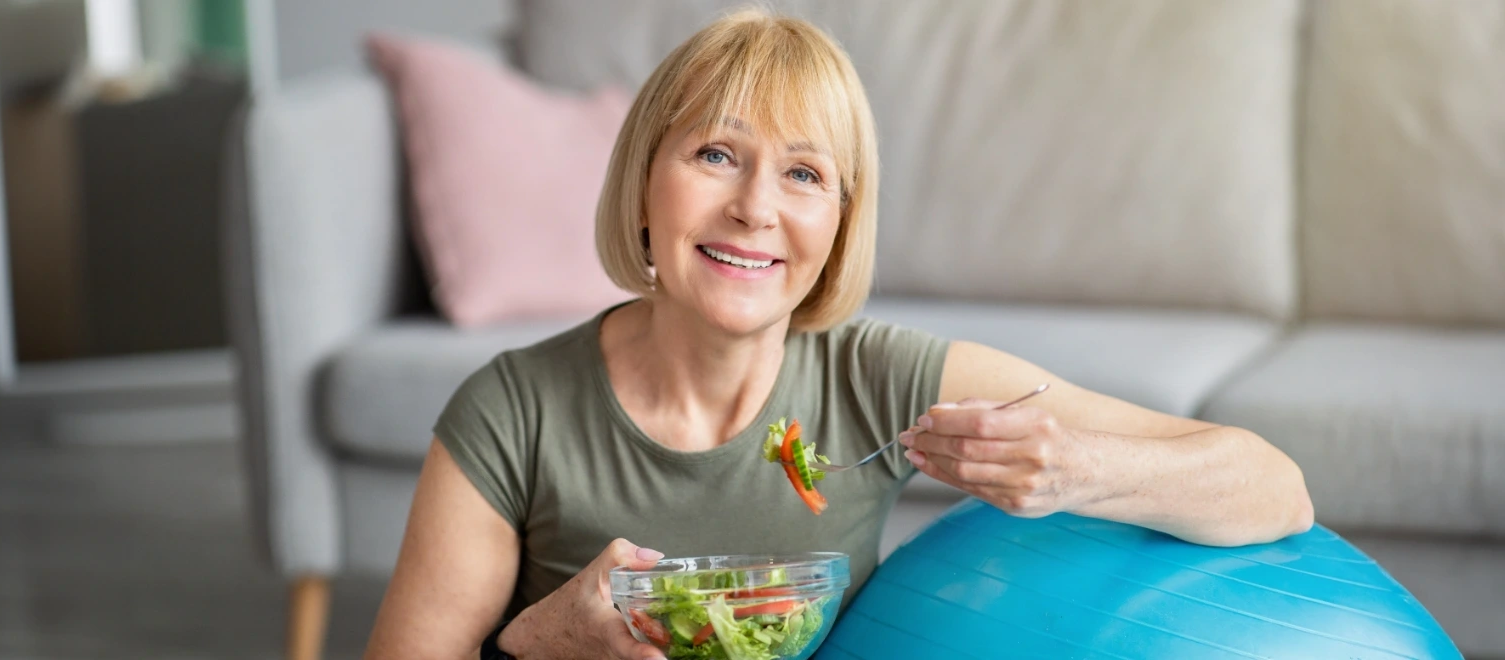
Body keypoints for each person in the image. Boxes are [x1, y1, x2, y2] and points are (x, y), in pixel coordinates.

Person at [364, 9, 1314, 660]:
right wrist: (535, 645)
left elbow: (1275, 488)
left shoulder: (882, 382)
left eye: (805, 175)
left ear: (840, 224)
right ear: (644, 185)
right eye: (716, 154)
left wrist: (1078, 471)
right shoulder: (511, 410)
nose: (754, 209)